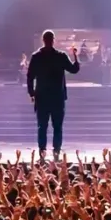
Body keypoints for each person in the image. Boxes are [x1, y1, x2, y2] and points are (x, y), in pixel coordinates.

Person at [25, 30, 80, 160]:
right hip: (57, 98)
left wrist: (32, 93)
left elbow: (30, 77)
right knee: (57, 127)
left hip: (42, 98)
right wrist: (75, 56)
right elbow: (74, 69)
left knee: (42, 127)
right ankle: (56, 153)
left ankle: (42, 154)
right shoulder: (60, 56)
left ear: (43, 40)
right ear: (53, 40)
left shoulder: (36, 56)